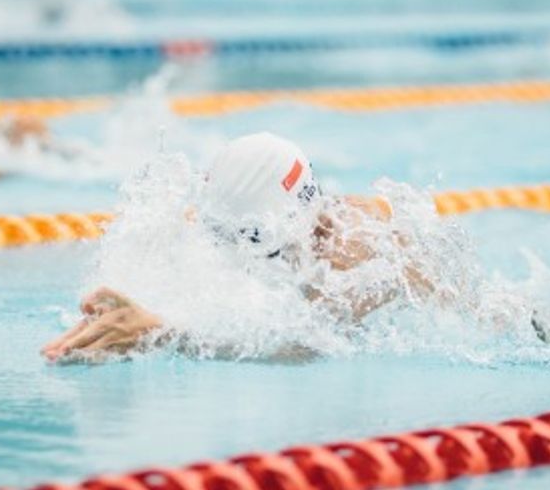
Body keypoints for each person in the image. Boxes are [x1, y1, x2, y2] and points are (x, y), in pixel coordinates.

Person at [41, 132, 440, 363]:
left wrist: (164, 332)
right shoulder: (242, 216)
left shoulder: (357, 245)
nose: (242, 252)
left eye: (257, 243)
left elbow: (300, 346)